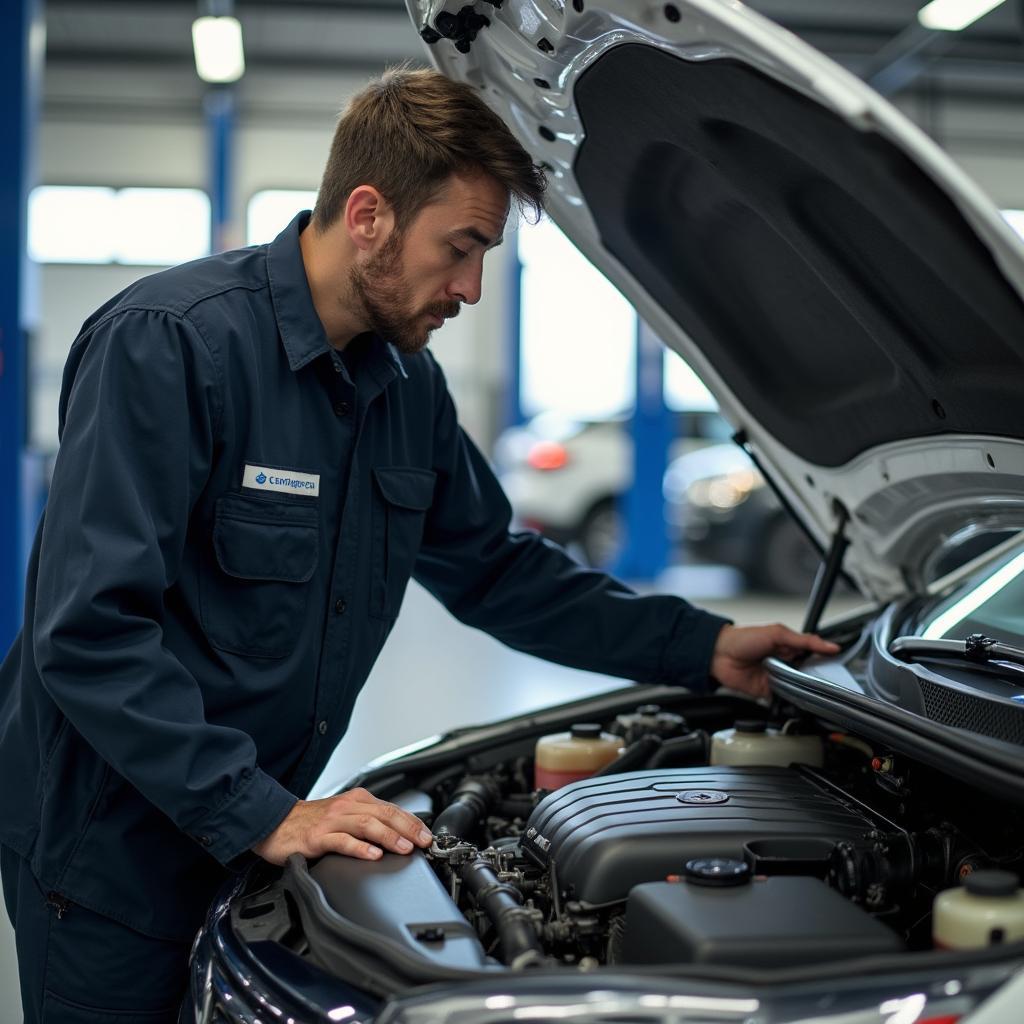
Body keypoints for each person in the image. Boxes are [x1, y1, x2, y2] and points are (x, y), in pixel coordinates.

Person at [0, 66, 838, 1021]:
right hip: (112, 855)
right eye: (461, 248)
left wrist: (706, 645)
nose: (471, 289)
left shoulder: (406, 388)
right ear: (368, 217)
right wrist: (262, 810)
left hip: (247, 828)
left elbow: (499, 570)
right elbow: (89, 630)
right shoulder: (171, 343)